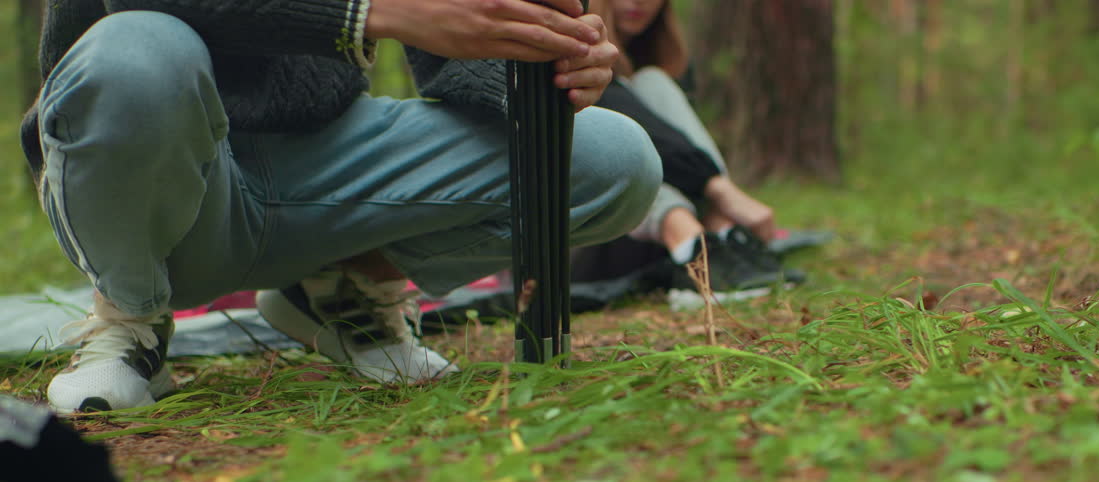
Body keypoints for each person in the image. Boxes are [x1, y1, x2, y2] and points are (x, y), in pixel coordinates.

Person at [21, 0, 662, 414]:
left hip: (324, 159)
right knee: (137, 46)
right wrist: (366, 14)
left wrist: (545, 65)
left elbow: (456, 43)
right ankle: (132, 315)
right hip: (161, 181)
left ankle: (350, 283)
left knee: (612, 161)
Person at [582, 0, 802, 292]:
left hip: (646, 240)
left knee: (653, 81)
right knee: (616, 132)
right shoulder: (572, 56)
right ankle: (695, 247)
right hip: (580, 239)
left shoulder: (658, 67)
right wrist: (719, 187)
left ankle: (721, 237)